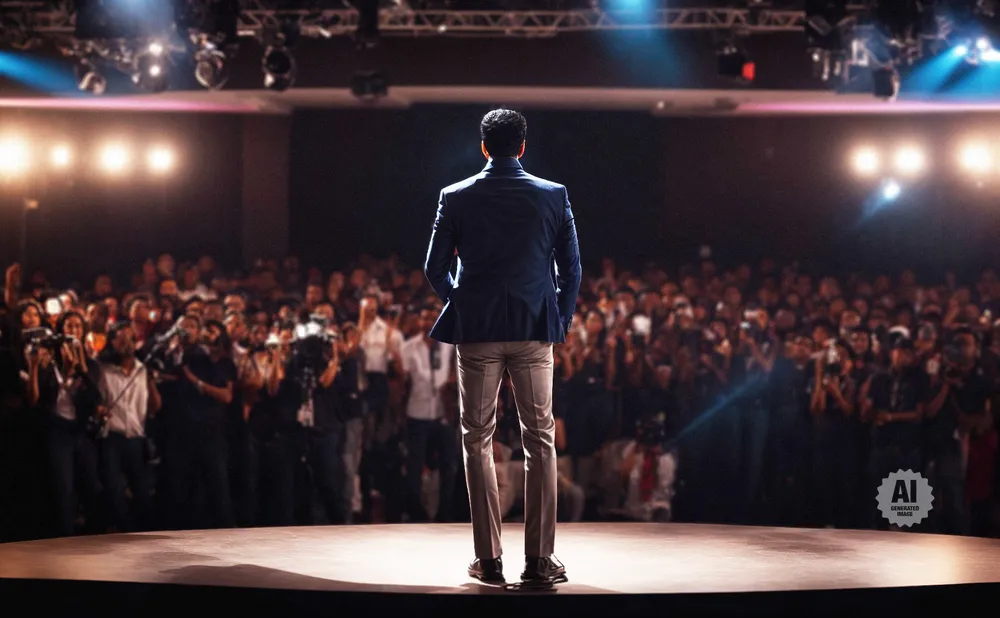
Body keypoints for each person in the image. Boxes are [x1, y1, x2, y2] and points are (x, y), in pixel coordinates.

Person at [424, 109, 581, 587]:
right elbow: (571, 271)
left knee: (477, 439)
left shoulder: (455, 195)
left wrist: (464, 300)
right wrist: (561, 318)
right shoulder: (554, 195)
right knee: (540, 439)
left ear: (484, 147)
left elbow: (434, 267)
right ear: (523, 146)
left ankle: (488, 561)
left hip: (478, 332)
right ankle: (538, 562)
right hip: (534, 330)